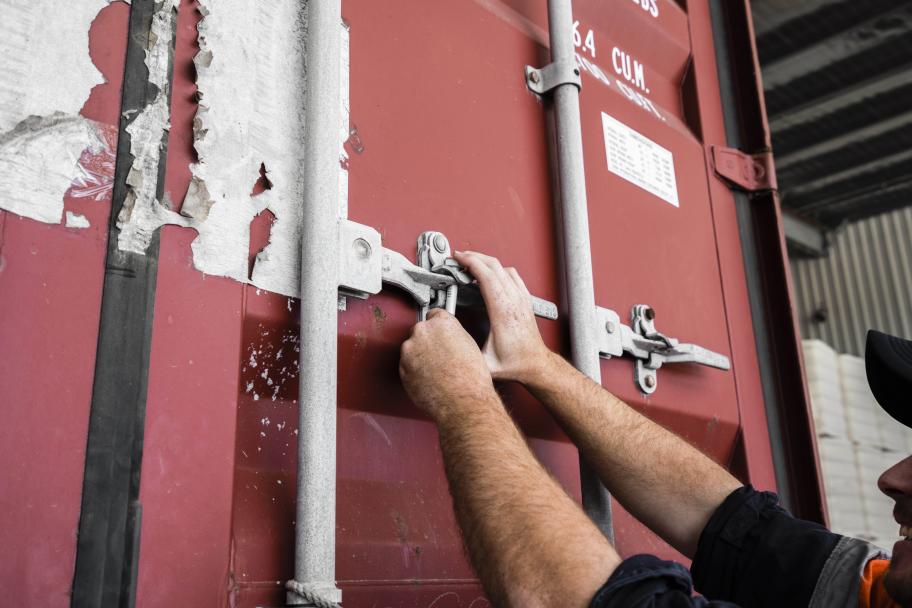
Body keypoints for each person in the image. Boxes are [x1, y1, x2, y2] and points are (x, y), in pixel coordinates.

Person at [398, 250, 912, 608]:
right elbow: (733, 526)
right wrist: (538, 363)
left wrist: (464, 400)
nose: (892, 478)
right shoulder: (880, 594)